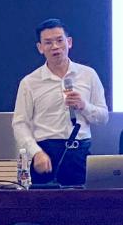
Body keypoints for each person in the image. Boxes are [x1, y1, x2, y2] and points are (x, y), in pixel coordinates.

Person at [13, 18, 109, 186]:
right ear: (40, 48)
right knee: (44, 203)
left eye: (59, 40)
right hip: (46, 155)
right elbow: (20, 124)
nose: (55, 46)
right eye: (48, 43)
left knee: (83, 202)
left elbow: (103, 118)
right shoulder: (29, 82)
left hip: (80, 154)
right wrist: (35, 152)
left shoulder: (88, 75)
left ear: (69, 42)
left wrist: (84, 106)